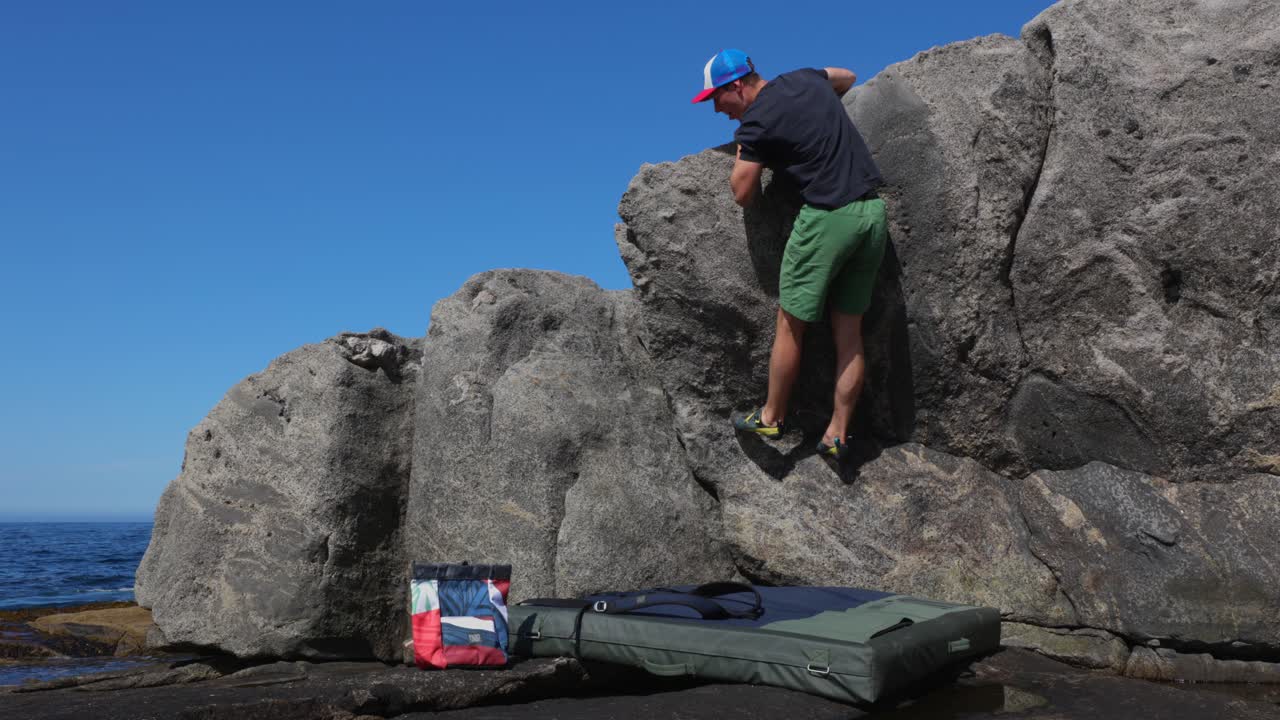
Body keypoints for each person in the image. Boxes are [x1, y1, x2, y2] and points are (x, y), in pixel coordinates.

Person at [692, 49, 887, 460]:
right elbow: (847, 75)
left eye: (716, 99)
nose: (717, 111)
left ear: (736, 86)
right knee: (848, 330)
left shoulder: (757, 121)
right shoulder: (803, 77)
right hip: (872, 214)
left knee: (790, 324)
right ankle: (837, 434)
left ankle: (772, 416)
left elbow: (743, 194)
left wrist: (751, 147)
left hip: (827, 217)